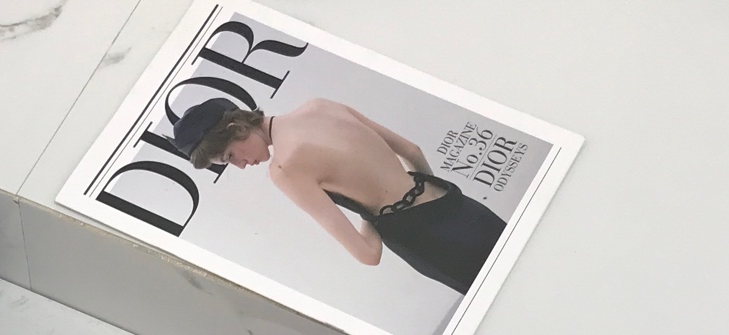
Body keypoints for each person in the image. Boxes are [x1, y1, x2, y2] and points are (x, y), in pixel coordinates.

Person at [174, 97, 506, 296]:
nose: (241, 165)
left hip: (428, 242)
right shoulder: (320, 106)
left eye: (230, 156)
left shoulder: (285, 168)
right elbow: (412, 151)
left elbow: (367, 254)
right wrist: (426, 194)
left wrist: (373, 211)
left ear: (236, 129)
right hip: (455, 203)